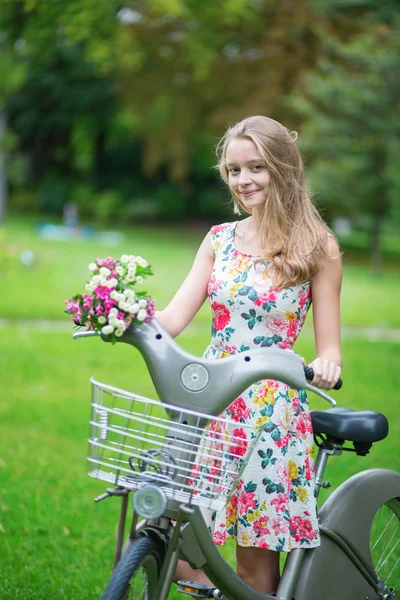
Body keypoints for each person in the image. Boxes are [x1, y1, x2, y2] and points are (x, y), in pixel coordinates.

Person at [155, 115, 342, 595]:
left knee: (254, 565)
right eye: (234, 170)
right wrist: (118, 313)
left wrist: (325, 367)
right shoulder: (219, 240)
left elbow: (330, 350)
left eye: (255, 167)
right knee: (178, 544)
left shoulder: (318, 247)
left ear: (282, 168)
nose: (243, 180)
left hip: (271, 411)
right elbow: (172, 320)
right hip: (212, 400)